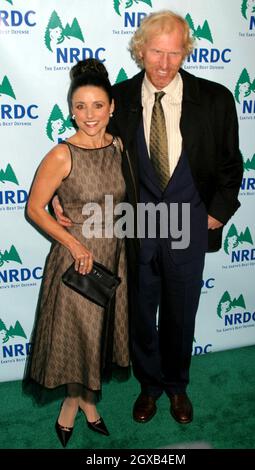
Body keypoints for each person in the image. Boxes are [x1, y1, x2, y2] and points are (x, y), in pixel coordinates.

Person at [54, 11, 243, 425]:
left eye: (174, 53)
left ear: (185, 52)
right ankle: (149, 386)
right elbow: (90, 150)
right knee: (140, 314)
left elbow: (231, 166)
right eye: (156, 52)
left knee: (181, 313)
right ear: (141, 51)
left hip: (189, 226)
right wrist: (58, 195)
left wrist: (216, 213)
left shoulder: (215, 99)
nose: (164, 63)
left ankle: (177, 387)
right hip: (136, 230)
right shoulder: (117, 99)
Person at [25, 58, 129, 447]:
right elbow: (34, 207)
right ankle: (73, 403)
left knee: (99, 337)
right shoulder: (61, 154)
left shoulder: (119, 146)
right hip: (77, 261)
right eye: (81, 106)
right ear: (71, 109)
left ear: (112, 107)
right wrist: (74, 244)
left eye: (98, 106)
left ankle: (88, 400)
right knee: (77, 338)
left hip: (113, 256)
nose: (89, 115)